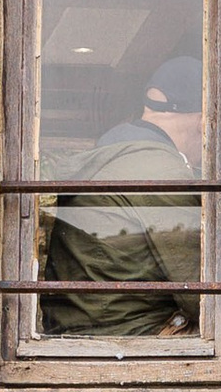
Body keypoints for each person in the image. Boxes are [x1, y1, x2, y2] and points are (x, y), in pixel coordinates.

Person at [39, 53, 204, 334]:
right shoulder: (160, 170)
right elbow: (200, 296)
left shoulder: (109, 153)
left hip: (80, 330)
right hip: (132, 335)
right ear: (204, 121)